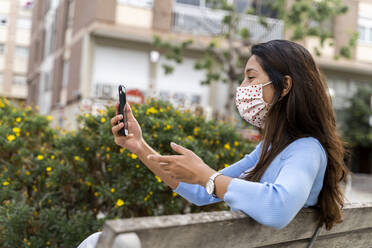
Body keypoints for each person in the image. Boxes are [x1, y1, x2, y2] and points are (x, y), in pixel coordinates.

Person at [77, 39, 349, 247]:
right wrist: (139, 146)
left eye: (251, 77)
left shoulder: (306, 150)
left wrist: (207, 175)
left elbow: (277, 208)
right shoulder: (268, 149)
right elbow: (201, 191)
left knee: (98, 243)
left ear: (285, 86)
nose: (242, 87)